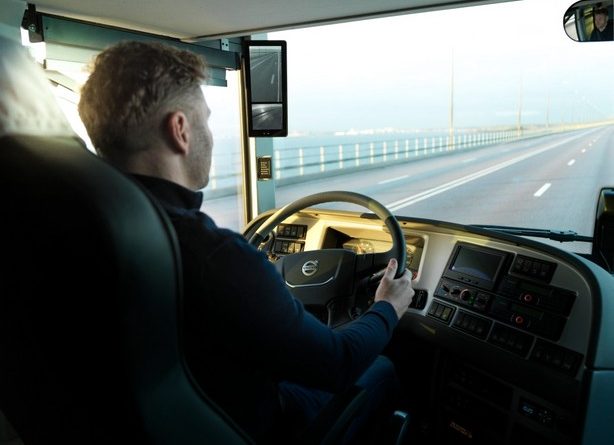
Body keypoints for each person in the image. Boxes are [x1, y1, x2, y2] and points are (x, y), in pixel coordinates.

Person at [78, 41, 414, 444]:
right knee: (380, 369)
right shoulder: (213, 255)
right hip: (247, 427)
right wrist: (387, 306)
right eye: (205, 121)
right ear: (180, 130)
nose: (209, 135)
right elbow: (338, 362)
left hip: (148, 420)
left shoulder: (87, 227)